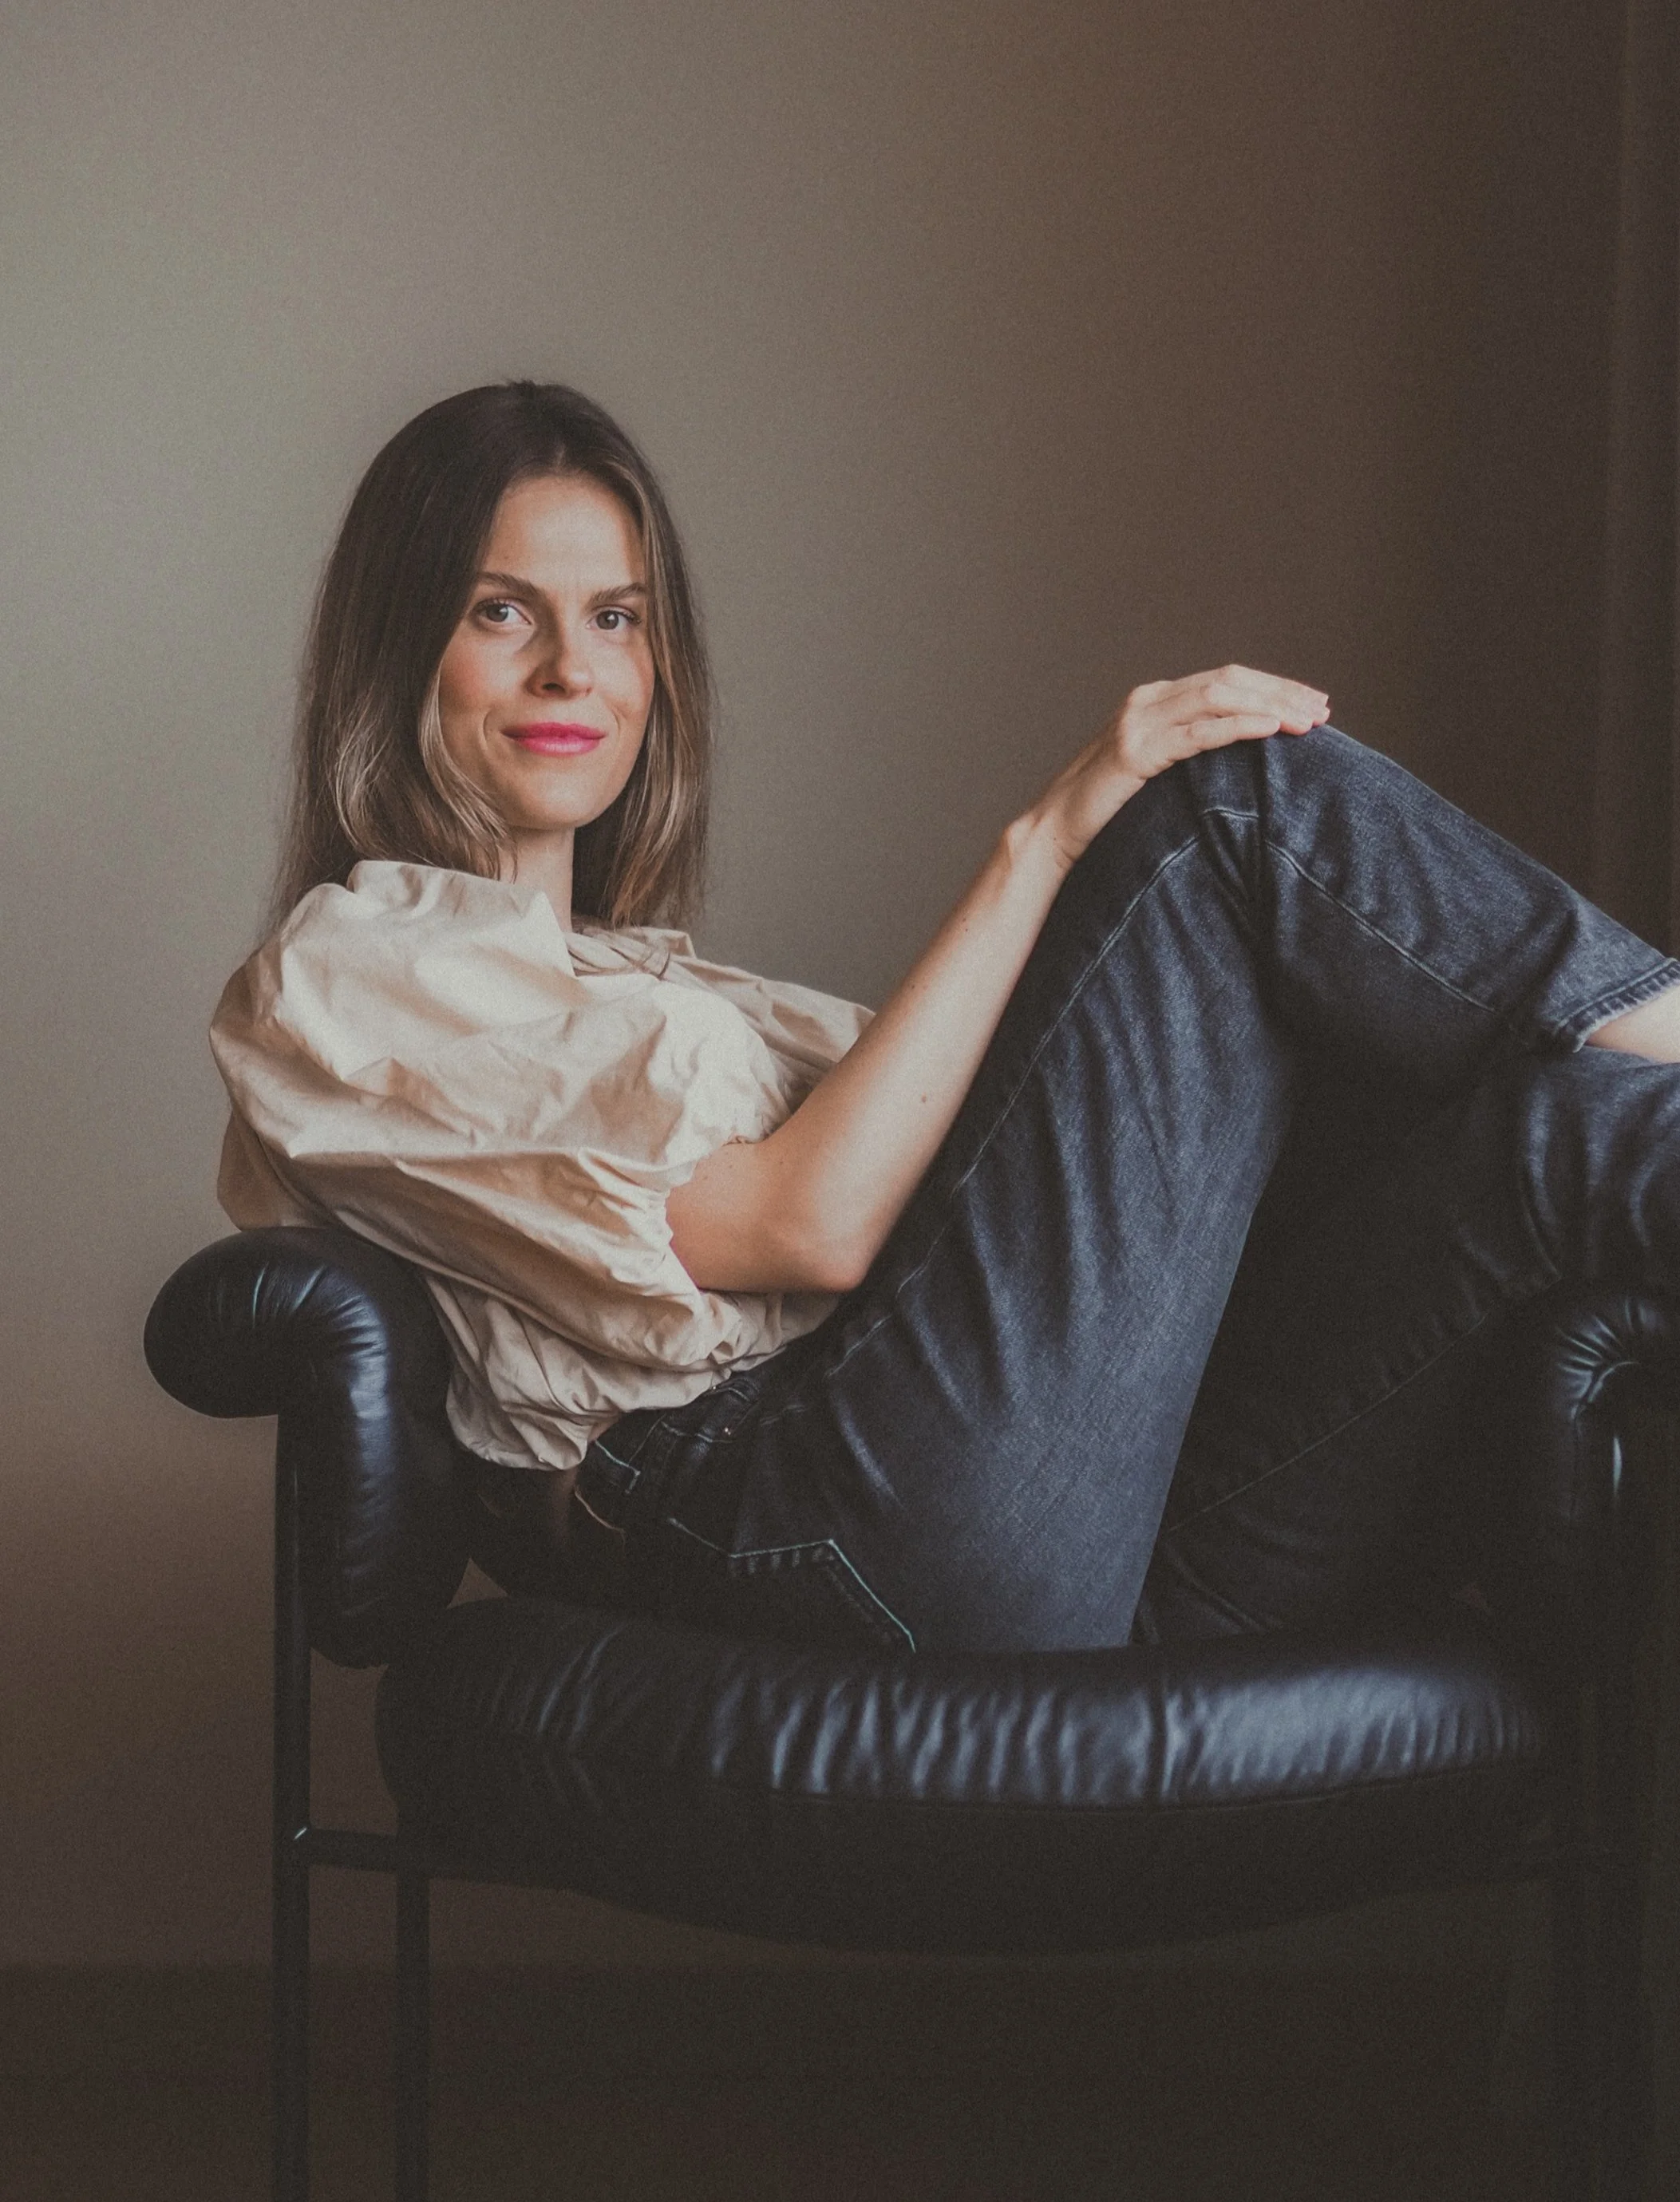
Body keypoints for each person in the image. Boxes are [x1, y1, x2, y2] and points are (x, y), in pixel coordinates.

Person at [212, 380, 1680, 1657]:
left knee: (1564, 1131)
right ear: (401, 646)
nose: (572, 670)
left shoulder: (661, 986)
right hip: (828, 1518)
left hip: (1074, 1519)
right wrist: (1047, 838)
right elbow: (807, 1229)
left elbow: (999, 1166)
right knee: (1234, 798)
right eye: (500, 611)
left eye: (615, 618)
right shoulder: (344, 977)